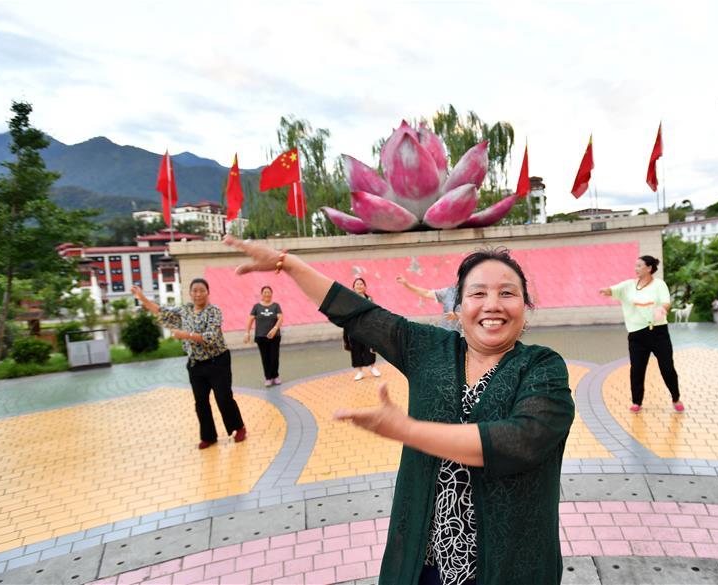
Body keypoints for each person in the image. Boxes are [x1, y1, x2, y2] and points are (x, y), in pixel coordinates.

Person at [223, 235, 575, 584]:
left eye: (507, 293)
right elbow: (360, 315)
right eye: (478, 293)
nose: (492, 305)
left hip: (508, 567)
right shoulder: (430, 349)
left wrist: (407, 430)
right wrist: (289, 263)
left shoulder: (542, 367)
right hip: (425, 562)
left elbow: (522, 440)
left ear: (526, 306)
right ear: (458, 307)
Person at [131, 280, 246, 449]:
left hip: (217, 361)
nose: (198, 294)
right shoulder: (185, 310)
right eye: (194, 291)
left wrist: (186, 335)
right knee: (200, 402)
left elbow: (210, 337)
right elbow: (162, 312)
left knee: (223, 398)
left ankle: (238, 427)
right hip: (195, 364)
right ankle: (208, 436)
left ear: (208, 292)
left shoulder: (214, 311)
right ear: (190, 293)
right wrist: (142, 297)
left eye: (201, 290)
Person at [599, 255, 684, 414]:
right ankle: (636, 401)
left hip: (658, 332)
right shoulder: (629, 285)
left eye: (639, 266)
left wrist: (662, 309)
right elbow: (614, 290)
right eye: (635, 265)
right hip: (637, 334)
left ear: (649, 268)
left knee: (667, 367)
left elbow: (666, 302)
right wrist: (606, 291)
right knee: (637, 369)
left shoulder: (659, 285)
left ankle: (676, 398)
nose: (636, 268)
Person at [243, 285, 284, 387]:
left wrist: (275, 329)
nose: (267, 294)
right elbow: (250, 320)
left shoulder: (276, 306)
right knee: (265, 358)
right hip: (261, 336)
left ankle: (275, 376)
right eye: (265, 292)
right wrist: (247, 333)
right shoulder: (256, 307)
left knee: (274, 357)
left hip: (274, 336)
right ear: (261, 294)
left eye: (269, 292)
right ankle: (268, 378)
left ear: (271, 294)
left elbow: (280, 318)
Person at [344, 277, 382, 381]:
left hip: (367, 328)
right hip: (354, 328)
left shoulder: (369, 299)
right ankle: (359, 371)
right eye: (357, 284)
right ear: (353, 287)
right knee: (356, 349)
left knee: (370, 348)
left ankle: (372, 367)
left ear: (365, 287)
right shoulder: (349, 299)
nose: (359, 286)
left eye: (361, 284)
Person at [396, 274, 460, 331]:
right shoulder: (449, 292)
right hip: (446, 333)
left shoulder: (466, 296)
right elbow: (426, 293)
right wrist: (407, 284)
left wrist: (458, 315)